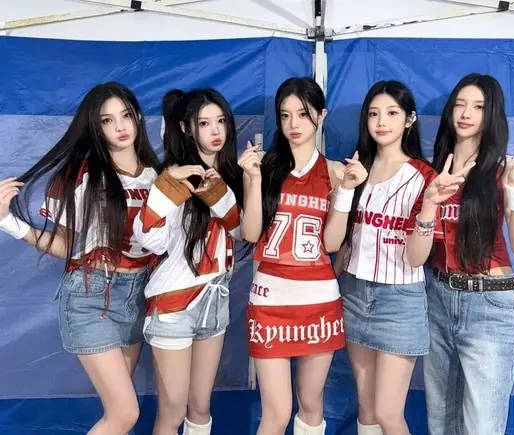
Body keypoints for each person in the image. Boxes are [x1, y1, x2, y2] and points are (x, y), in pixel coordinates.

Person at [0, 82, 161, 435]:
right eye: (107, 120)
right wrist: (8, 222)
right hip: (92, 296)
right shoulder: (82, 175)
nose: (120, 126)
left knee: (118, 414)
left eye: (125, 115)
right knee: (124, 414)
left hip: (139, 295)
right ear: (95, 127)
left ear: (137, 117)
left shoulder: (158, 175)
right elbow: (65, 245)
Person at [422, 73, 514, 435]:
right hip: (437, 297)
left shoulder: (504, 169)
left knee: (481, 426)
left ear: (492, 115)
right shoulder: (432, 170)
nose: (466, 114)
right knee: (441, 422)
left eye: (478, 107)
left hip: (488, 305)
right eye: (460, 104)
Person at [331, 80, 471, 435]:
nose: (382, 122)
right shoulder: (355, 169)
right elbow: (343, 241)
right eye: (374, 113)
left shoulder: (424, 177)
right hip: (355, 292)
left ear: (409, 119)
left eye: (392, 113)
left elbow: (416, 257)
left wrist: (428, 208)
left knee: (388, 413)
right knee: (366, 408)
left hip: (399, 300)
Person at [237, 77, 367, 435]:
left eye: (303, 114)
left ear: (321, 116)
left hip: (318, 300)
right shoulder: (262, 166)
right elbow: (251, 233)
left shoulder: (336, 172)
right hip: (270, 300)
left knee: (311, 405)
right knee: (276, 413)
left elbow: (332, 243)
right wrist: (252, 180)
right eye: (285, 115)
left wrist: (346, 192)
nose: (293, 124)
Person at [132, 88, 244, 435]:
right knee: (173, 412)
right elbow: (150, 239)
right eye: (204, 123)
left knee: (200, 406)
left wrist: (221, 191)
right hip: (173, 305)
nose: (216, 130)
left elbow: (243, 232)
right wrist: (166, 188)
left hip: (215, 300)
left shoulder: (234, 174)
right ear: (186, 128)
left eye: (220, 121)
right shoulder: (173, 176)